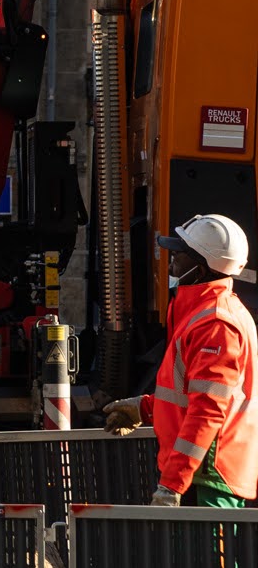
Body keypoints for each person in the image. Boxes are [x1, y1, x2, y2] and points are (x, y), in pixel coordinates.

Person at [103, 213, 257, 508]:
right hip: (200, 472)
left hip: (207, 475)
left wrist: (171, 485)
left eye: (180, 253)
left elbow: (208, 411)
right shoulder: (205, 313)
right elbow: (192, 394)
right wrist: (145, 408)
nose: (171, 259)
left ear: (199, 270)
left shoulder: (215, 324)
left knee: (210, 556)